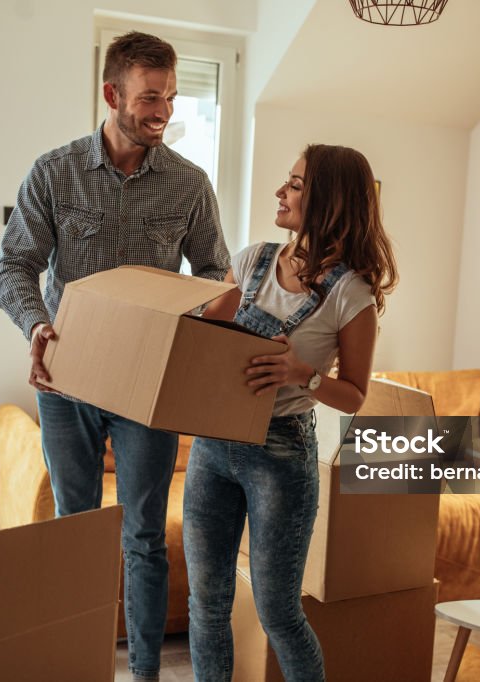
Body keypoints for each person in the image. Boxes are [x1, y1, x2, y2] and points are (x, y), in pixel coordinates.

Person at [0, 31, 229, 682]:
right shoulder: (54, 172)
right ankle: (80, 665)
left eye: (172, 98)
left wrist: (203, 326)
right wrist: (35, 326)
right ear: (112, 94)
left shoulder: (189, 185)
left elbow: (215, 272)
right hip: (66, 381)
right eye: (150, 98)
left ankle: (146, 674)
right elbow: (14, 264)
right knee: (77, 533)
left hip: (148, 388)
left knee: (145, 539)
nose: (164, 112)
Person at [183, 144, 398, 681]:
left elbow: (353, 394)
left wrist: (301, 373)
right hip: (213, 446)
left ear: (326, 200)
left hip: (280, 455)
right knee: (206, 603)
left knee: (278, 611)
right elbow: (207, 336)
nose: (281, 192)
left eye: (296, 184)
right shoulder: (252, 259)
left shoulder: (352, 294)